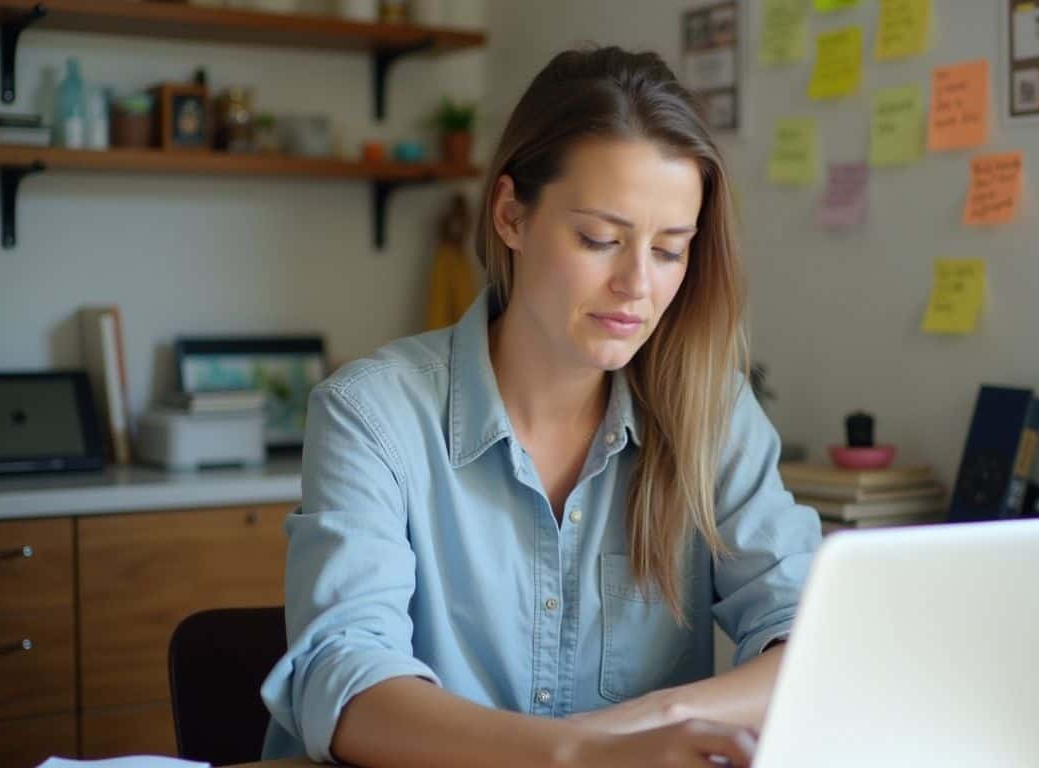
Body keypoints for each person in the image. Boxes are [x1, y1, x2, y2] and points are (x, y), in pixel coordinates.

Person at [260, 45, 820, 768]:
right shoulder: (371, 414)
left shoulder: (711, 411)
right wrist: (581, 756)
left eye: (670, 250)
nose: (636, 285)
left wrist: (659, 722)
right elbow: (346, 683)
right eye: (600, 239)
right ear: (509, 214)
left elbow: (809, 635)